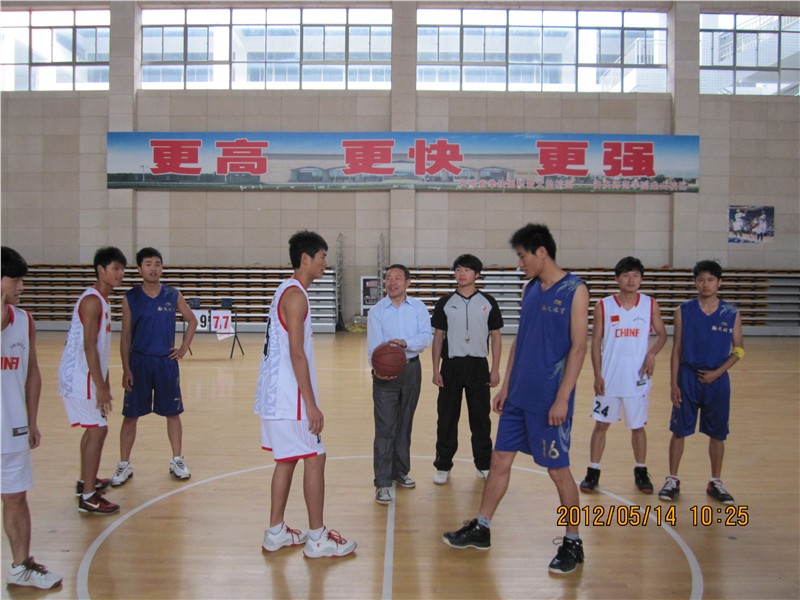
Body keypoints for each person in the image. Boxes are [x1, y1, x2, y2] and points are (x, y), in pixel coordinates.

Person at [442, 223, 590, 575]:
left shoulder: (575, 289)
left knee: (558, 471)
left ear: (542, 252)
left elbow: (578, 348)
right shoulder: (531, 289)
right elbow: (521, 341)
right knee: (500, 460)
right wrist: (506, 386)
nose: (519, 264)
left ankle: (573, 541)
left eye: (523, 257)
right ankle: (482, 527)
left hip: (549, 398)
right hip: (519, 394)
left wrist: (563, 398)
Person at [254, 231, 356, 558]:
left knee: (286, 460)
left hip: (274, 395)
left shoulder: (284, 290)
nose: (326, 263)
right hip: (290, 397)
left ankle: (275, 532)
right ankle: (317, 538)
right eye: (322, 257)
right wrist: (311, 404)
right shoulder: (296, 296)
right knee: (315, 456)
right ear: (305, 259)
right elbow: (297, 353)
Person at [1, 247, 63, 589]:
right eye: (14, 279)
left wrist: (32, 420)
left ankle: (21, 566)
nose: (21, 286)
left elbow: (33, 373)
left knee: (16, 497)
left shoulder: (25, 321)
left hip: (11, 427)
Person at [579, 256, 667, 495]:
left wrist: (651, 354)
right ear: (617, 278)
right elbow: (595, 343)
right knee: (601, 425)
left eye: (636, 275)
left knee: (637, 426)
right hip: (609, 377)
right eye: (626, 275)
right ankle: (593, 471)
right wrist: (597, 375)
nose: (631, 280)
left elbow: (662, 334)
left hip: (637, 378)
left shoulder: (650, 304)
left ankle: (641, 471)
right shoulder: (604, 305)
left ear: (641, 279)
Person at [658, 260, 743, 505]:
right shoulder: (683, 310)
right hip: (688, 377)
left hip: (718, 380)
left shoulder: (731, 312)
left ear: (719, 283)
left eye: (711, 280)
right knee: (679, 430)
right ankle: (672, 479)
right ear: (695, 282)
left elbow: (739, 350)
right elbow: (676, 349)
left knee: (718, 433)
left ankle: (715, 481)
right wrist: (674, 383)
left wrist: (717, 373)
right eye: (701, 280)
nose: (706, 284)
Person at [111, 247, 198, 487]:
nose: (153, 268)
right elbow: (125, 336)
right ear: (140, 269)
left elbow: (192, 320)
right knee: (130, 416)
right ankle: (124, 463)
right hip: (139, 363)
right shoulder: (130, 298)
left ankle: (177, 459)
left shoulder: (172, 294)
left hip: (165, 363)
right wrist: (126, 368)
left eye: (157, 264)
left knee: (173, 413)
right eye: (148, 264)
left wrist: (183, 348)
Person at [59, 246, 127, 515]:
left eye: (122, 269)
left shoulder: (103, 300)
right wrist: (99, 386)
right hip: (80, 376)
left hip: (87, 375)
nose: (120, 274)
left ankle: (85, 481)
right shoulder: (92, 301)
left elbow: (99, 348)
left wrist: (105, 382)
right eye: (115, 268)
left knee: (93, 429)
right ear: (101, 270)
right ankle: (88, 496)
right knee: (98, 430)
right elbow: (88, 346)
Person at [430, 254, 503, 484]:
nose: (461, 274)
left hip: (478, 366)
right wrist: (435, 369)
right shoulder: (445, 302)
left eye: (467, 270)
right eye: (458, 269)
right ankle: (443, 466)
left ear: (477, 274)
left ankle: (484, 464)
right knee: (447, 418)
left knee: (480, 418)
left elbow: (496, 337)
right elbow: (438, 337)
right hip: (451, 366)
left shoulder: (488, 301)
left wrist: (495, 369)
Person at [367, 264, 432, 505]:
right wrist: (378, 369)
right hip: (385, 374)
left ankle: (400, 471)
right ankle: (383, 482)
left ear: (407, 283)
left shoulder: (418, 307)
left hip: (412, 369)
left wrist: (406, 343)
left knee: (405, 424)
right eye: (388, 278)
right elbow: (374, 346)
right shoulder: (377, 311)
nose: (392, 282)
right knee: (385, 427)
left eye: (397, 278)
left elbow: (426, 337)